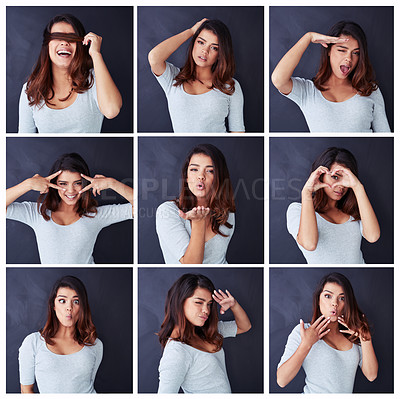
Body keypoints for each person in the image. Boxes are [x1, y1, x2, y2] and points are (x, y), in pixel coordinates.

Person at [6, 152, 133, 263]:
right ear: (54, 184)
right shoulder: (36, 213)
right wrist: (27, 184)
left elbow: (138, 208)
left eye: (77, 183)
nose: (71, 190)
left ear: (85, 184)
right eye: (63, 184)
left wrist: (112, 183)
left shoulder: (96, 215)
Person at [271, 20, 390, 132]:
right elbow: (278, 80)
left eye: (356, 53)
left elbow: (385, 133)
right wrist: (308, 37)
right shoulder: (308, 91)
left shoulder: (370, 90)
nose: (349, 58)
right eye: (342, 50)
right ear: (328, 51)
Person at [18, 14, 122, 133]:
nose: (65, 43)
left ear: (81, 44)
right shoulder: (30, 90)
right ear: (47, 45)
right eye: (58, 37)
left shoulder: (94, 79)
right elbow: (24, 133)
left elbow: (112, 110)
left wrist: (96, 54)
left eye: (72, 38)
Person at [277, 272, 378, 393]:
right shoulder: (303, 331)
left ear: (347, 303)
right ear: (318, 299)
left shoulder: (353, 333)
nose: (334, 303)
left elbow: (371, 375)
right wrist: (306, 344)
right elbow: (282, 380)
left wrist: (365, 338)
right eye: (328, 296)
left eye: (342, 298)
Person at [158, 273, 251, 393]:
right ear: (179, 302)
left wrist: (234, 305)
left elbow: (245, 326)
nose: (206, 310)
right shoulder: (176, 351)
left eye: (209, 304)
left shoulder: (207, 331)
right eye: (199, 302)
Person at [148, 18, 244, 133]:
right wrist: (191, 31)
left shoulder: (230, 86)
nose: (205, 51)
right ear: (193, 43)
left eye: (214, 48)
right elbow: (154, 58)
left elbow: (237, 132)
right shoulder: (173, 78)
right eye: (201, 42)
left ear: (220, 54)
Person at [286, 147, 380, 264]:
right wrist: (306, 192)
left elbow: (373, 236)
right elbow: (309, 244)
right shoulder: (297, 210)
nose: (341, 186)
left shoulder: (352, 211)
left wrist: (358, 187)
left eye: (345, 179)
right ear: (320, 175)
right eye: (335, 177)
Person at [19, 276, 103, 393]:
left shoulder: (95, 344)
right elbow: (26, 390)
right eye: (62, 301)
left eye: (76, 301)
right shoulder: (33, 342)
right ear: (53, 305)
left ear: (82, 307)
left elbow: (89, 384)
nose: (69, 308)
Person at [156, 144, 235, 264]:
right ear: (186, 177)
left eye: (210, 171)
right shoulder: (167, 212)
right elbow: (191, 264)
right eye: (194, 169)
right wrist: (199, 221)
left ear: (220, 178)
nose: (201, 176)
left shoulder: (226, 212)